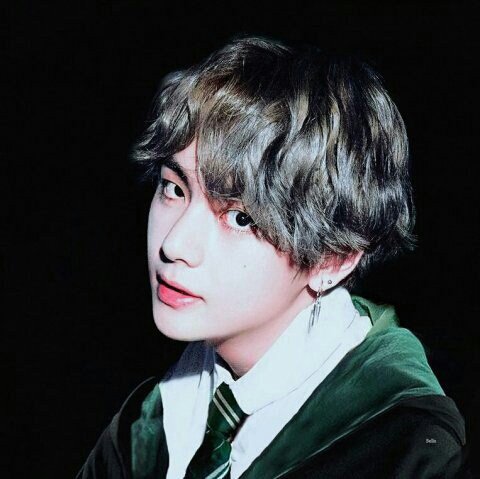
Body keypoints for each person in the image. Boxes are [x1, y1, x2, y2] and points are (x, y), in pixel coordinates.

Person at [76, 36, 471, 478]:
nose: (174, 244)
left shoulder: (408, 450)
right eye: (174, 188)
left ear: (333, 260)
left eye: (240, 218)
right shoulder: (146, 424)